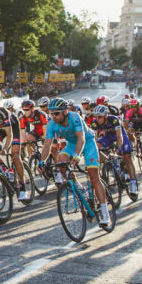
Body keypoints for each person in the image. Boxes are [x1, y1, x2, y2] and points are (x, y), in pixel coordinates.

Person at [41, 97, 112, 227]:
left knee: (93, 175)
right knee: (60, 161)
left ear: (65, 112)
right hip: (72, 144)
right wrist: (41, 161)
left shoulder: (75, 117)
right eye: (52, 114)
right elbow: (47, 144)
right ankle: (79, 187)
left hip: (88, 143)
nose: (54, 117)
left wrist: (77, 155)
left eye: (56, 113)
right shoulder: (52, 124)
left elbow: (82, 138)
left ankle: (104, 211)